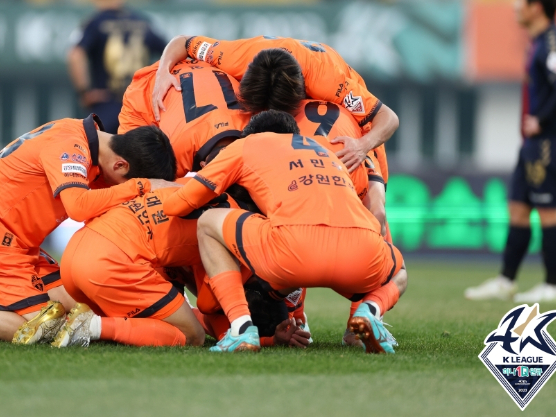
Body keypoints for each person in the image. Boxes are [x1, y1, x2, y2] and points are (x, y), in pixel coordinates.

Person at [0, 114, 177, 344]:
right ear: (120, 165)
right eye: (123, 182)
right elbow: (79, 207)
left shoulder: (85, 142)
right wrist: (140, 186)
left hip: (17, 245)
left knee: (85, 307)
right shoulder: (70, 146)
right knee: (47, 327)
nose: (119, 188)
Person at [163, 111, 407, 353]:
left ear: (251, 135)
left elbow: (178, 205)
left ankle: (240, 329)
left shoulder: (249, 145)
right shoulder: (327, 146)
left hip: (292, 252)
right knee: (400, 273)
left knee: (208, 223)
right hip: (359, 252)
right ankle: (372, 310)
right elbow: (374, 196)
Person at [52, 185, 309, 348]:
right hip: (111, 260)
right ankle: (90, 326)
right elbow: (209, 307)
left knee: (167, 319)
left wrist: (266, 339)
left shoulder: (204, 189)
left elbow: (205, 315)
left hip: (76, 253)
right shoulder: (241, 240)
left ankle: (74, 321)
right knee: (191, 336)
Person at [150, 34, 399, 175]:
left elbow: (388, 119)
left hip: (333, 75)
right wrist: (163, 70)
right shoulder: (233, 56)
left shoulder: (328, 81)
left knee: (373, 184)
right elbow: (182, 42)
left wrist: (363, 146)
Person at [466, 0, 556, 303]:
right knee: (518, 210)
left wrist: (542, 118)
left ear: (536, 6)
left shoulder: (552, 43)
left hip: (549, 142)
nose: (514, 5)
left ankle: (553, 284)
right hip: (531, 145)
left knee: (548, 211)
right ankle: (506, 281)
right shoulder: (538, 41)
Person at [68, 0, 167, 133]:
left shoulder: (94, 23)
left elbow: (75, 55)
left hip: (106, 103)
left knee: (104, 154)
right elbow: (169, 52)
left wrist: (84, 92)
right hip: (139, 105)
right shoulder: (143, 22)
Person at [119, 59, 252, 177]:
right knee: (131, 169)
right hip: (145, 87)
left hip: (206, 62)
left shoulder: (259, 126)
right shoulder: (175, 154)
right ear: (203, 165)